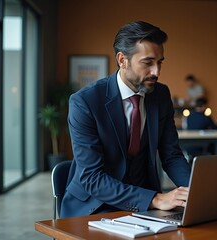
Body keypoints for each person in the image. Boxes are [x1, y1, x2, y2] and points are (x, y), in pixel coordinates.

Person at [60, 21, 192, 218]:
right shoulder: (84, 102)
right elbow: (92, 178)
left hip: (145, 206)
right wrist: (155, 198)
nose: (156, 72)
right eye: (147, 63)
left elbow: (171, 155)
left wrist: (195, 192)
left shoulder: (160, 94)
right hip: (94, 206)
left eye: (160, 62)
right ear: (122, 60)